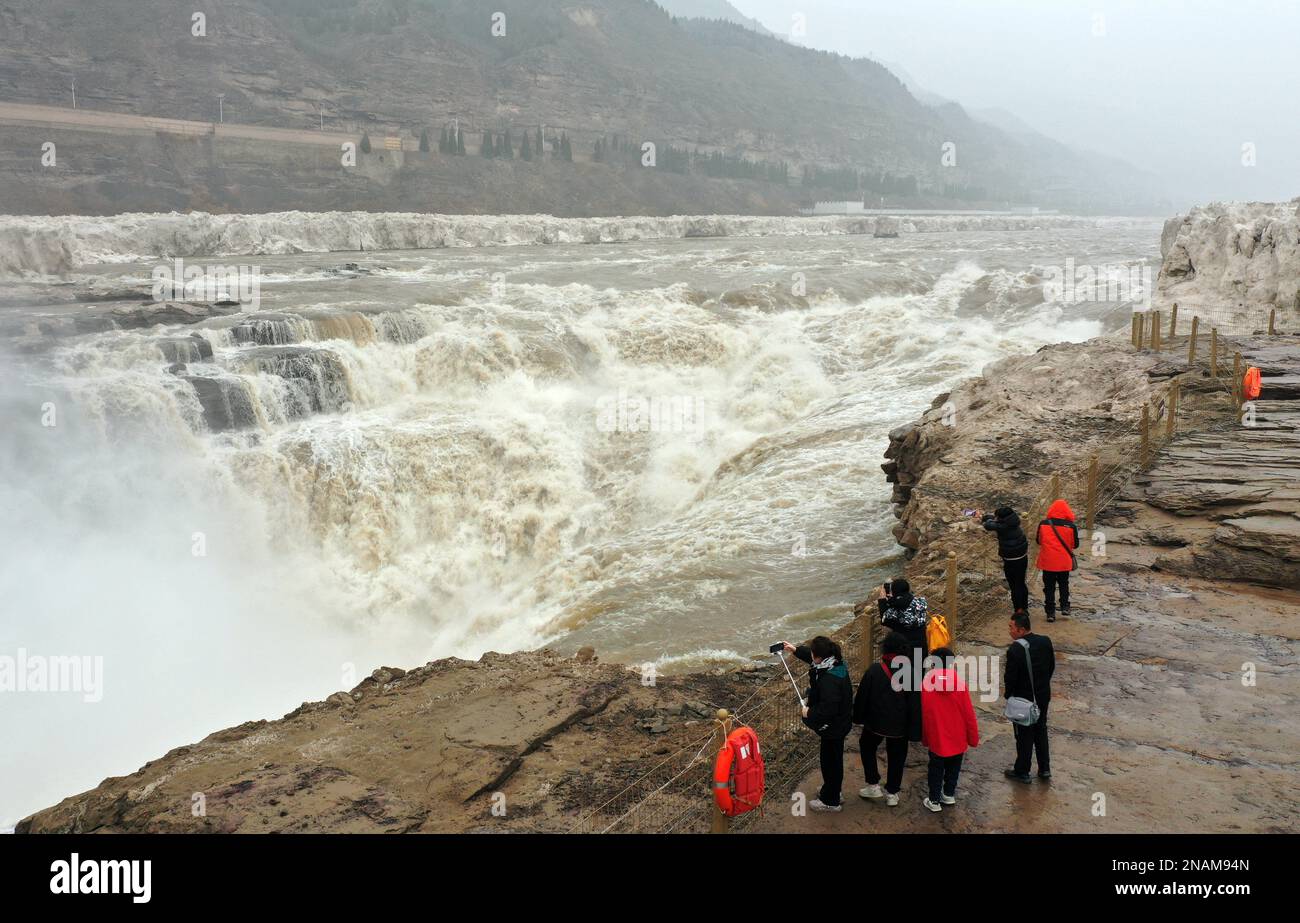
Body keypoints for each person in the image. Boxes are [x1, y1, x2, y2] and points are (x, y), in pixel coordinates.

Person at [785, 636, 853, 812]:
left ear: (819, 656)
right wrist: (795, 650)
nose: (811, 656)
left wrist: (809, 713)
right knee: (833, 759)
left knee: (830, 762)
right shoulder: (834, 663)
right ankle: (833, 790)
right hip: (840, 722)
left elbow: (828, 709)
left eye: (812, 653)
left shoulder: (829, 680)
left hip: (833, 726)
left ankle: (831, 801)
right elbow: (813, 658)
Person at [852, 631, 916, 806]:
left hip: (875, 723)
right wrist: (915, 729)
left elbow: (862, 697)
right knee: (897, 757)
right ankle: (892, 794)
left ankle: (873, 784)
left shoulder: (874, 670)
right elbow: (915, 703)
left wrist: (858, 718)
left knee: (867, 746)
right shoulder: (911, 672)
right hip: (900, 726)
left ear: (885, 648)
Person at [920, 646, 979, 812]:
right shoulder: (960, 684)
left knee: (935, 769)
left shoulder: (926, 684)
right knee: (954, 767)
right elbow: (968, 714)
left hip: (937, 737)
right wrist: (973, 737)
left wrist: (925, 738)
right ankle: (949, 794)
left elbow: (925, 714)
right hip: (958, 737)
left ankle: (934, 800)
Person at [1003, 610, 1055, 783]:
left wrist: (1008, 695)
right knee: (1041, 729)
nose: (1009, 631)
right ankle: (1044, 768)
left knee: (1024, 735)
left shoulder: (1015, 650)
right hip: (1042, 695)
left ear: (1021, 630)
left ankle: (1022, 771)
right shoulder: (1045, 641)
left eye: (1011, 627)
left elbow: (1010, 678)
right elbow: (1051, 667)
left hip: (1023, 700)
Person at [1035, 499, 1079, 622]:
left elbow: (1039, 541)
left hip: (1048, 561)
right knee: (1064, 584)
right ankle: (1065, 606)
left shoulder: (1043, 524)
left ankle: (1050, 613)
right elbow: (1075, 545)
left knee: (1049, 587)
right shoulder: (1071, 526)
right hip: (1063, 562)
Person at [979, 506, 1030, 612]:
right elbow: (996, 522)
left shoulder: (1003, 526)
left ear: (1001, 518)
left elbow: (988, 525)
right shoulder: (1014, 521)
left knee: (1014, 586)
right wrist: (993, 518)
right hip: (1022, 557)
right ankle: (1024, 607)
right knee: (1021, 583)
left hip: (1011, 560)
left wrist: (988, 519)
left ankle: (1019, 610)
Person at [875, 577, 930, 657]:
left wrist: (882, 601)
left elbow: (884, 619)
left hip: (904, 651)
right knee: (919, 665)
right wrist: (893, 599)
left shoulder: (896, 609)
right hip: (920, 648)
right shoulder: (919, 603)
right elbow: (905, 601)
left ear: (894, 592)